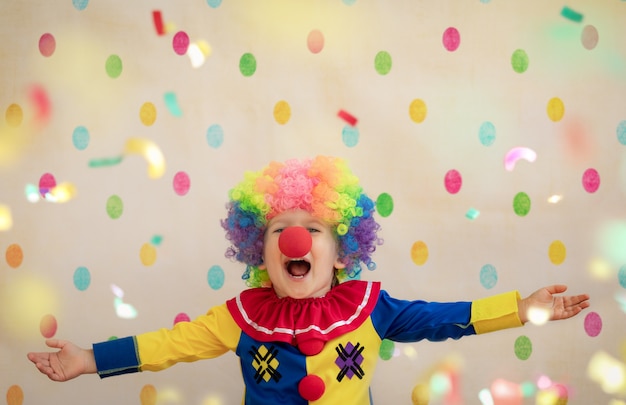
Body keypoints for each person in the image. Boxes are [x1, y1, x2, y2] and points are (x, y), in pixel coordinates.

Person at [28, 156, 590, 404]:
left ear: (343, 251)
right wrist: (89, 360)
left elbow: (448, 318)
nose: (296, 240)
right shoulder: (240, 316)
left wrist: (524, 308)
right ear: (260, 250)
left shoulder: (372, 307)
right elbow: (166, 346)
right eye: (279, 230)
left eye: (313, 228)